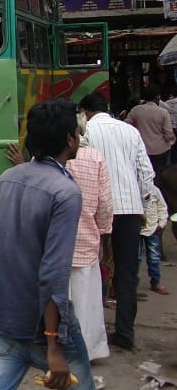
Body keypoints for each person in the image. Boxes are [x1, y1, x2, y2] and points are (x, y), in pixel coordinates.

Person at [0, 99, 93, 390]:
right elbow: (54, 274)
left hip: (5, 321)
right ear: (69, 139)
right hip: (44, 331)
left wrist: (7, 301)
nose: (79, 139)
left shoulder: (6, 179)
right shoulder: (65, 192)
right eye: (76, 134)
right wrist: (53, 345)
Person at [79, 92, 156, 351]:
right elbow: (146, 173)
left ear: (85, 112)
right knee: (127, 273)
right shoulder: (130, 132)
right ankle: (125, 333)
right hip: (129, 208)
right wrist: (144, 207)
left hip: (95, 208)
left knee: (90, 268)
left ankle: (93, 332)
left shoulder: (85, 131)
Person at [125, 85, 175, 177]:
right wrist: (172, 140)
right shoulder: (163, 112)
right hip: (161, 150)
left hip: (143, 150)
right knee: (161, 175)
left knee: (145, 175)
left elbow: (126, 125)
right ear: (157, 98)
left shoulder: (136, 110)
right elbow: (168, 135)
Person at [140, 186, 169, 295]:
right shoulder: (133, 190)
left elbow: (162, 207)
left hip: (152, 229)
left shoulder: (155, 190)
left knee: (154, 257)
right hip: (136, 230)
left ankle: (155, 282)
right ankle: (132, 285)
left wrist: (161, 224)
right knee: (135, 259)